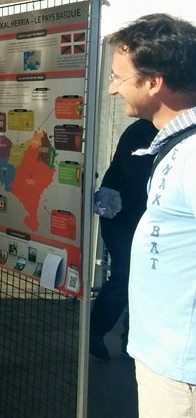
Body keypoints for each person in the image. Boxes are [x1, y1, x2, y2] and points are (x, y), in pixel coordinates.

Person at [105, 13, 196, 418]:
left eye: (120, 78)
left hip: (184, 376)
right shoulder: (173, 146)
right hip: (166, 365)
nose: (114, 89)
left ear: (154, 82)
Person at [89, 118, 157, 362]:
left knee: (142, 279)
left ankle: (130, 340)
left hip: (145, 218)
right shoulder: (141, 132)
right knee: (125, 275)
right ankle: (96, 331)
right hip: (123, 216)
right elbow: (138, 178)